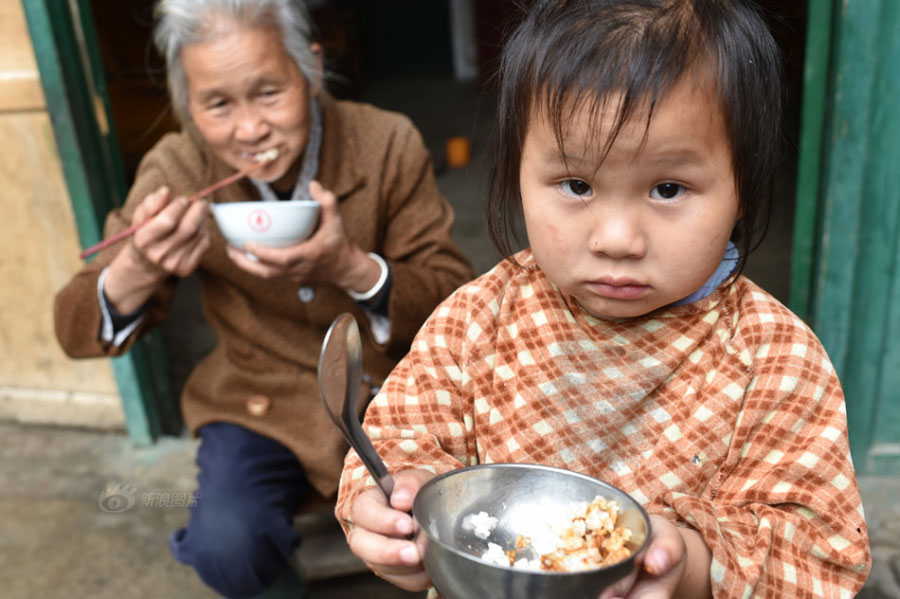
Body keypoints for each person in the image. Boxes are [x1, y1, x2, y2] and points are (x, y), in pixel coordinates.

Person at [335, 0, 872, 597]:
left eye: (668, 188)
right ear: (518, 172)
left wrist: (692, 565)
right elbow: (396, 440)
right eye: (577, 185)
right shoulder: (479, 320)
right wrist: (396, 507)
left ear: (742, 187)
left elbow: (824, 559)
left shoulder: (776, 361)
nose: (617, 240)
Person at [53, 0, 474, 597]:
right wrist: (137, 267)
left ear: (310, 69)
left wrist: (350, 267)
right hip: (257, 400)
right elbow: (72, 329)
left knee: (445, 528)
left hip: (386, 392)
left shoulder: (384, 142)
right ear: (188, 104)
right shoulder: (180, 166)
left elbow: (454, 299)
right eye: (218, 104)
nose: (250, 130)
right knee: (225, 545)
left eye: (269, 92)